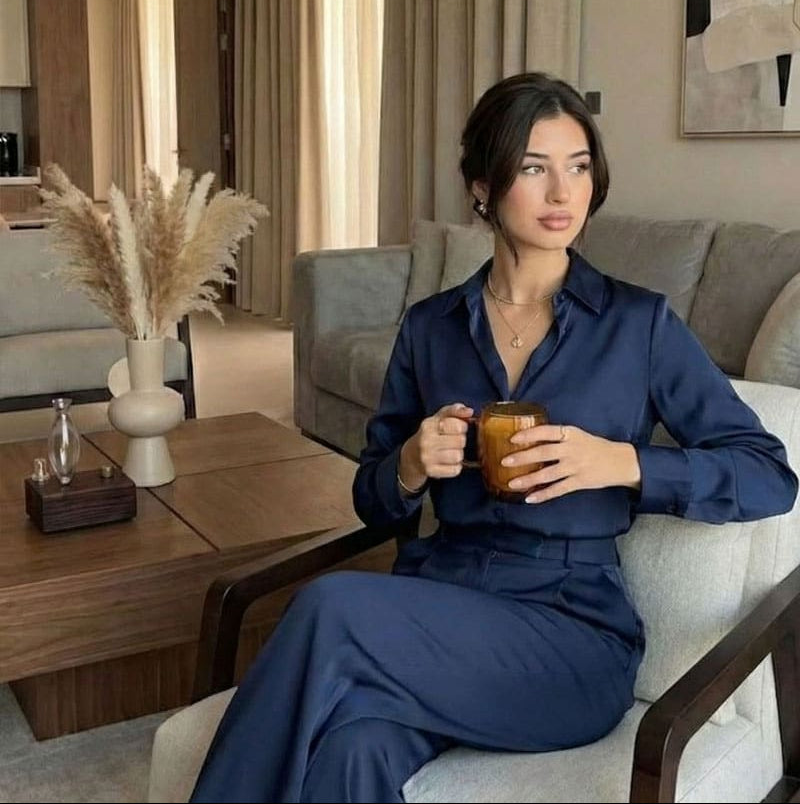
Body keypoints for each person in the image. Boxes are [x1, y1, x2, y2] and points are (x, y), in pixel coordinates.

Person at [190, 72, 797, 804]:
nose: (561, 193)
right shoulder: (431, 328)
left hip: (570, 635)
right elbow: (372, 501)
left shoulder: (638, 325)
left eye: (577, 168)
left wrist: (623, 462)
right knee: (352, 750)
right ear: (484, 186)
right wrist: (409, 467)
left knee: (331, 607)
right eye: (534, 168)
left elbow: (768, 475)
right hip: (441, 605)